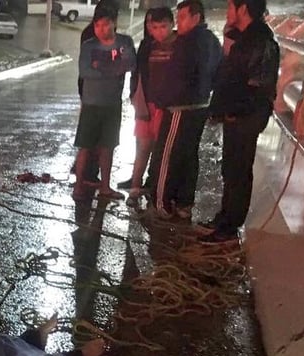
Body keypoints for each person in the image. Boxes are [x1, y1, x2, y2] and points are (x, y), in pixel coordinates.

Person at [200, 0, 280, 244]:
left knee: (239, 170)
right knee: (231, 167)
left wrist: (235, 110)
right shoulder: (244, 38)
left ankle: (230, 226)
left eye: (230, 7)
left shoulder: (261, 42)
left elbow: (257, 87)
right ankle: (224, 218)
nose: (227, 12)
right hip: (236, 114)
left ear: (243, 9)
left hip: (247, 116)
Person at [147, 0, 222, 220]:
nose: (178, 23)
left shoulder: (187, 43)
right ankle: (184, 203)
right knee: (188, 155)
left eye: (182, 18)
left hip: (180, 107)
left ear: (196, 17)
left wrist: (161, 100)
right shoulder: (211, 41)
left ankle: (161, 203)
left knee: (167, 155)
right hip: (200, 106)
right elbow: (218, 73)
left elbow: (177, 79)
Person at [72, 5, 136, 202]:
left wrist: (102, 66)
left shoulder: (125, 42)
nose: (101, 29)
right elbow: (85, 71)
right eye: (97, 25)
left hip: (112, 104)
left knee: (108, 146)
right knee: (85, 145)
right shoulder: (89, 45)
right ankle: (79, 185)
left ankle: (106, 186)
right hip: (91, 103)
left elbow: (131, 64)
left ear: (114, 23)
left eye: (106, 24)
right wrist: (113, 68)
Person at [126, 7, 176, 208]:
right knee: (143, 147)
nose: (159, 31)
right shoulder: (147, 45)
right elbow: (137, 73)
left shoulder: (180, 46)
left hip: (167, 107)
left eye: (163, 26)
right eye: (154, 27)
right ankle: (135, 188)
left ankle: (157, 190)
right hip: (146, 105)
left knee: (162, 151)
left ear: (172, 24)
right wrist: (134, 96)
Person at [75, 0, 120, 189]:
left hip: (103, 95)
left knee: (100, 142)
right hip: (95, 94)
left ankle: (92, 178)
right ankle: (87, 176)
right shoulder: (93, 37)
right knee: (91, 141)